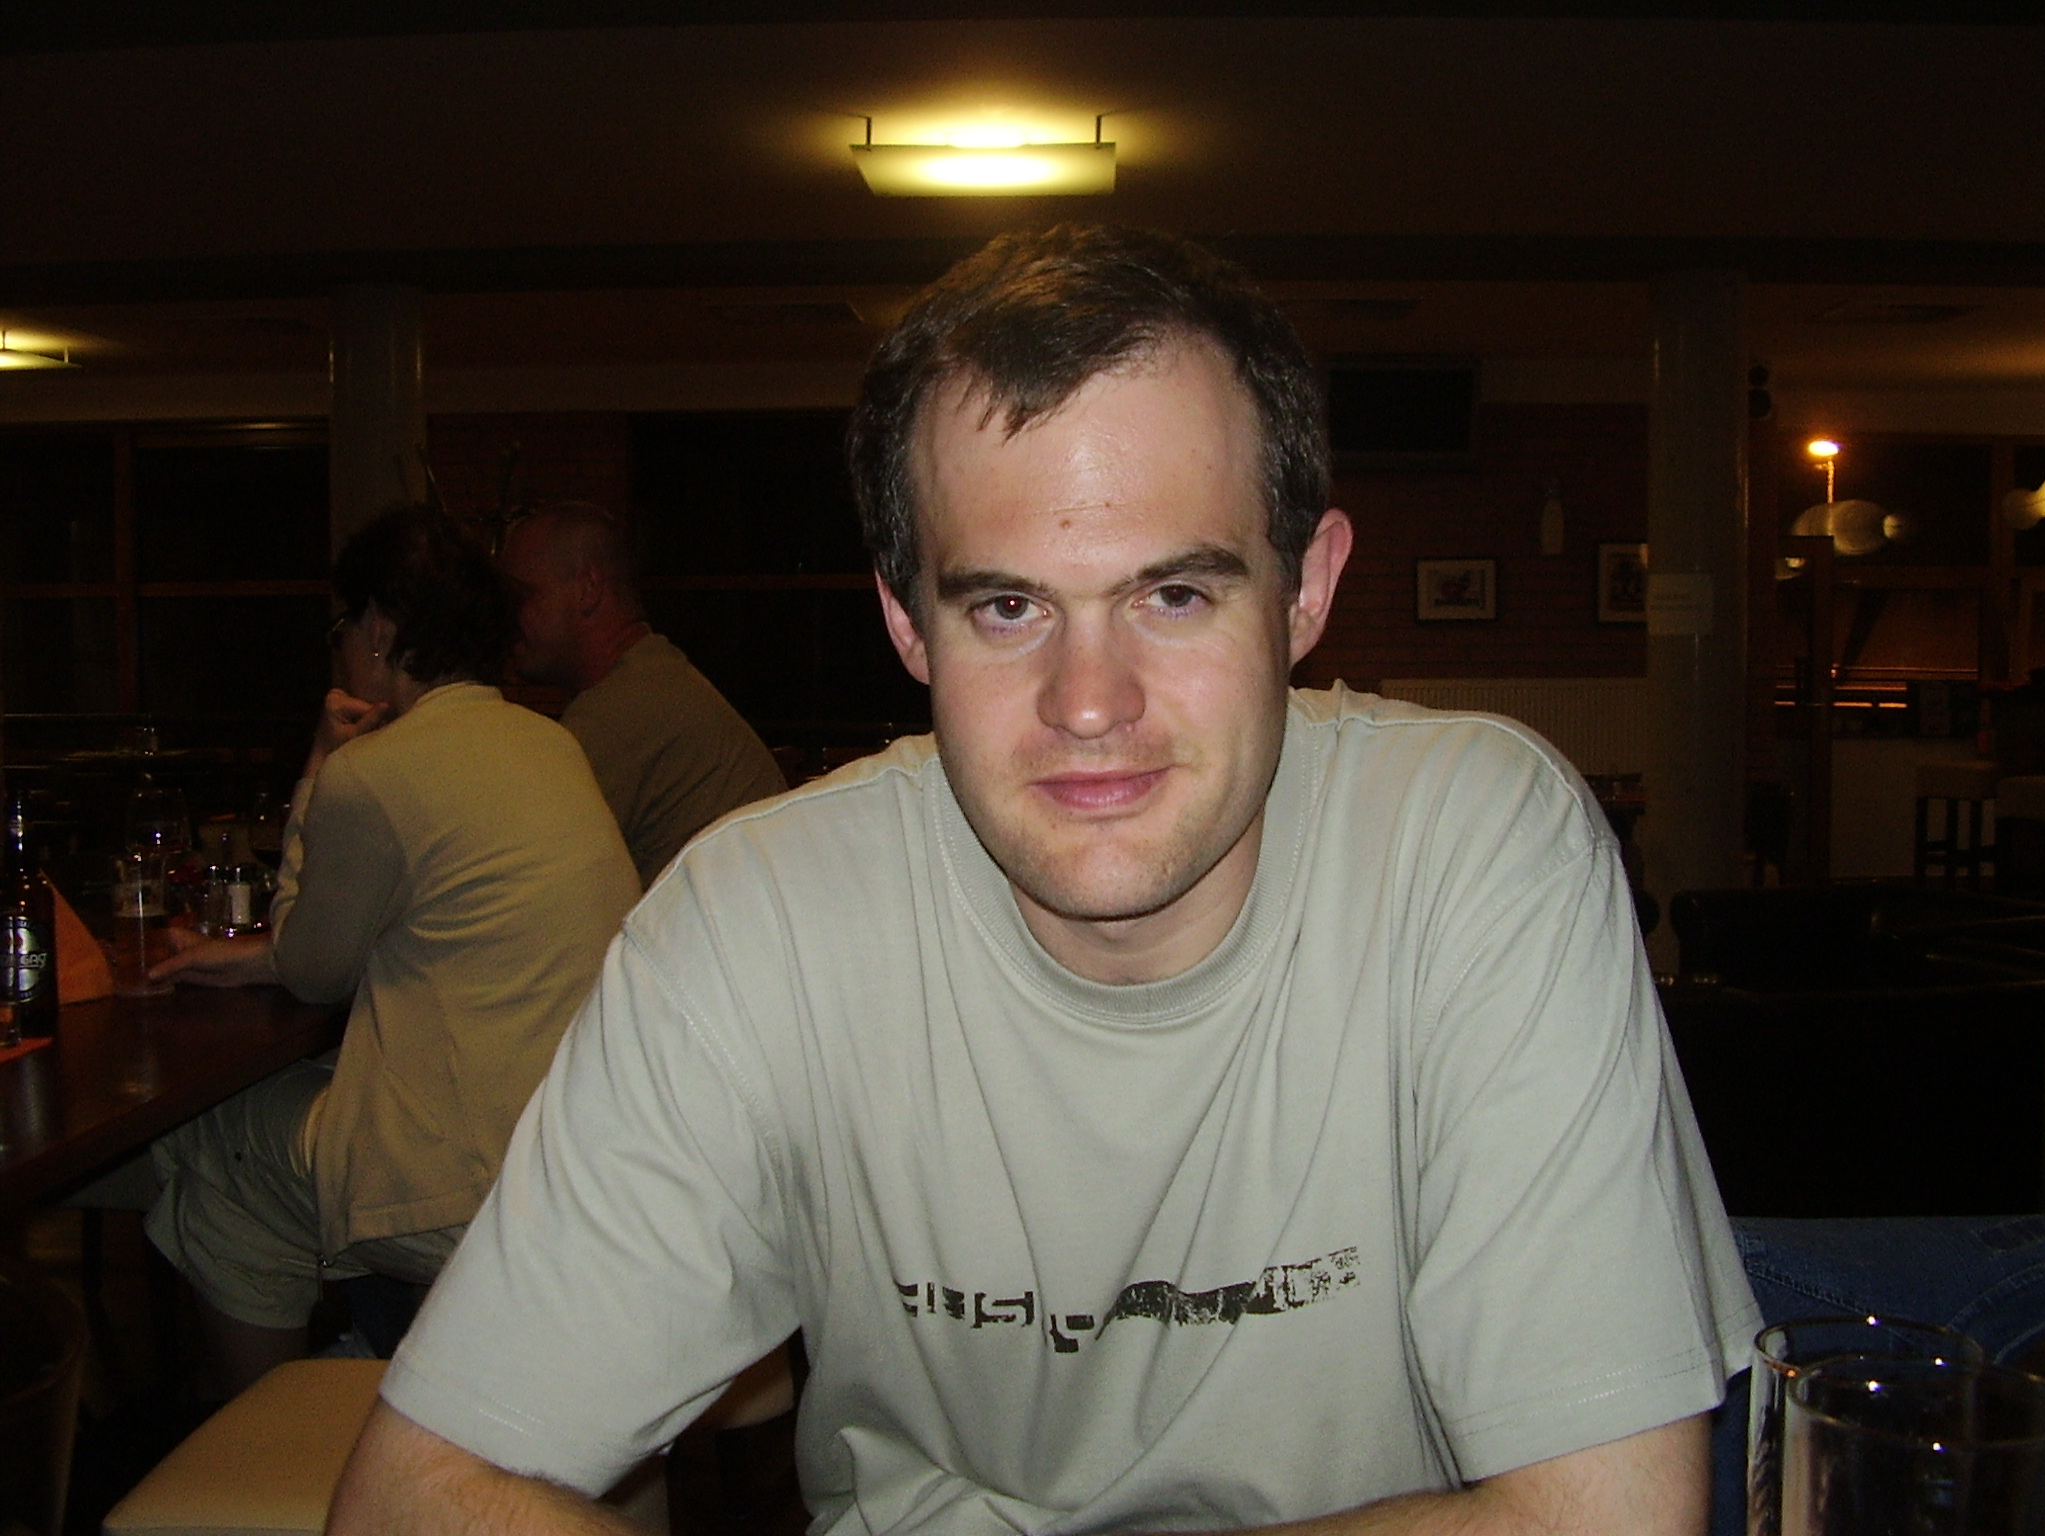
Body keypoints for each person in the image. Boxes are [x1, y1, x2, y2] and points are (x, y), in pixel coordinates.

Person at [332, 226, 1758, 1535]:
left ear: (1307, 591)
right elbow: (415, 1496)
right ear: (907, 622)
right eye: (1007, 606)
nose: (1089, 703)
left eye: (1174, 594)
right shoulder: (757, 922)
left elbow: (1607, 1516)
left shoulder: (1475, 850)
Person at [147, 506, 640, 1397]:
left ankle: (274, 1432)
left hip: (469, 1188)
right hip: (573, 1156)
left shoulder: (371, 773)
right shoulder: (551, 743)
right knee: (307, 1117)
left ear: (379, 627)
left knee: (218, 1146)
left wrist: (320, 760)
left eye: (344, 626)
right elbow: (426, 924)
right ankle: (382, 1361)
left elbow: (314, 969)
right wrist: (255, 957)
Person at [498, 501, 786, 888]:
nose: (506, 617)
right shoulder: (652, 679)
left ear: (588, 589)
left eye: (522, 595)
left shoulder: (623, 713)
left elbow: (518, 874)